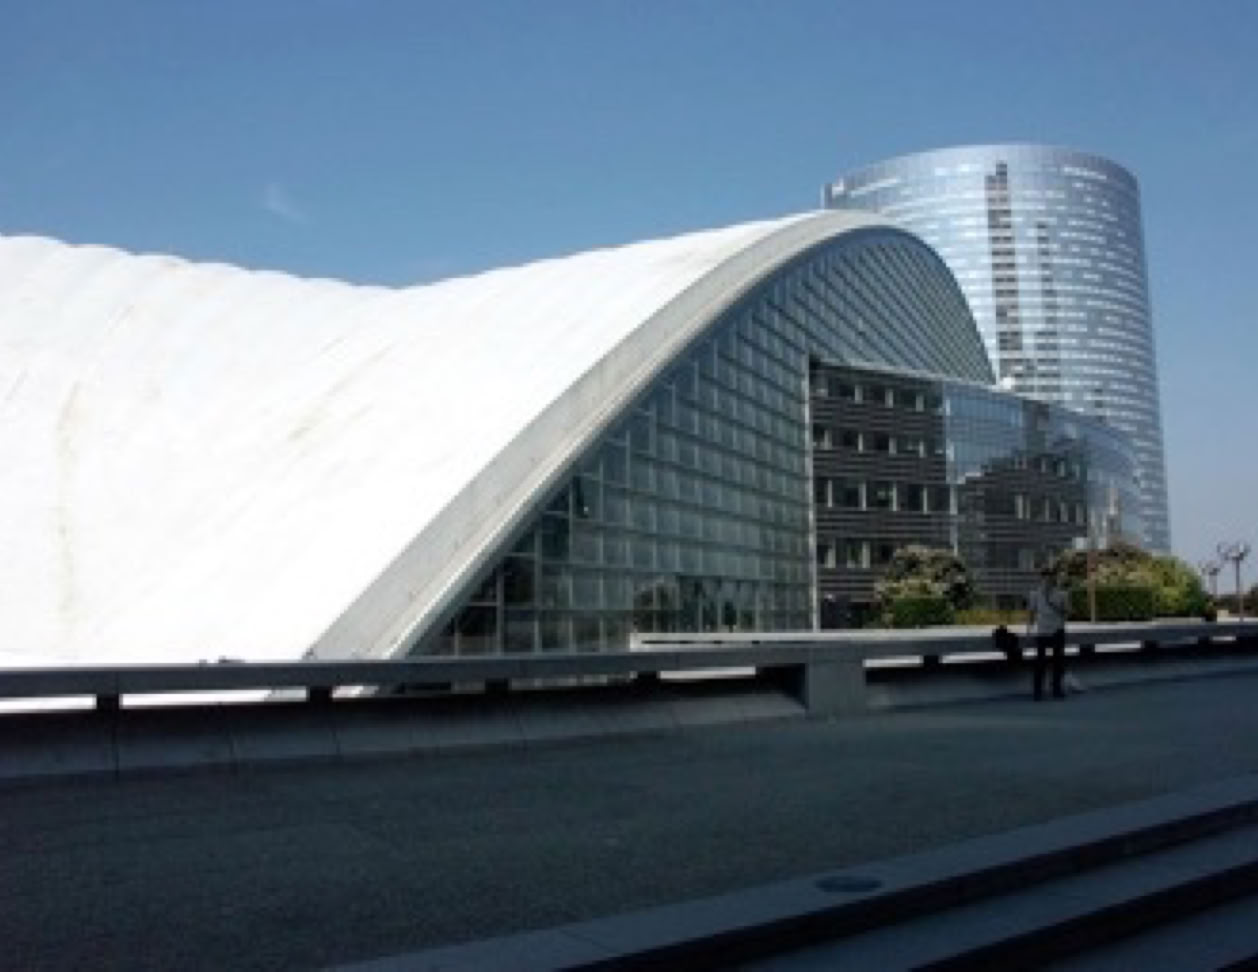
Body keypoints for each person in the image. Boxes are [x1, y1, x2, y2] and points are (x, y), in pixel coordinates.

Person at [1027, 567, 1069, 700]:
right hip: (1042, 631)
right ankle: (1038, 691)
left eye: (1050, 577)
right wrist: (1029, 628)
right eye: (1045, 577)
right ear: (1041, 579)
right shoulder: (1034, 594)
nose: (1047, 580)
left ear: (1054, 579)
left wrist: (1062, 620)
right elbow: (1032, 612)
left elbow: (1067, 611)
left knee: (1058, 662)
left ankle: (1057, 689)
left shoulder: (1062, 594)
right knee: (1040, 663)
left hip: (1057, 630)